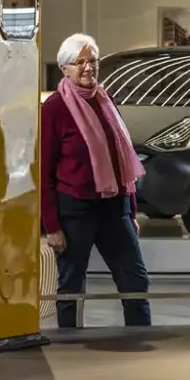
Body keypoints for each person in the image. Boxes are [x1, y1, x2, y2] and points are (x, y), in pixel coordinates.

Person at [41, 33, 151, 328]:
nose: (88, 68)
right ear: (65, 68)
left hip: (115, 207)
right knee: (71, 285)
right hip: (75, 209)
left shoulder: (105, 100)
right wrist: (52, 226)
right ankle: (69, 345)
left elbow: (120, 159)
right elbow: (43, 172)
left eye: (93, 61)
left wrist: (131, 208)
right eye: (80, 63)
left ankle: (139, 335)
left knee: (135, 280)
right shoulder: (54, 108)